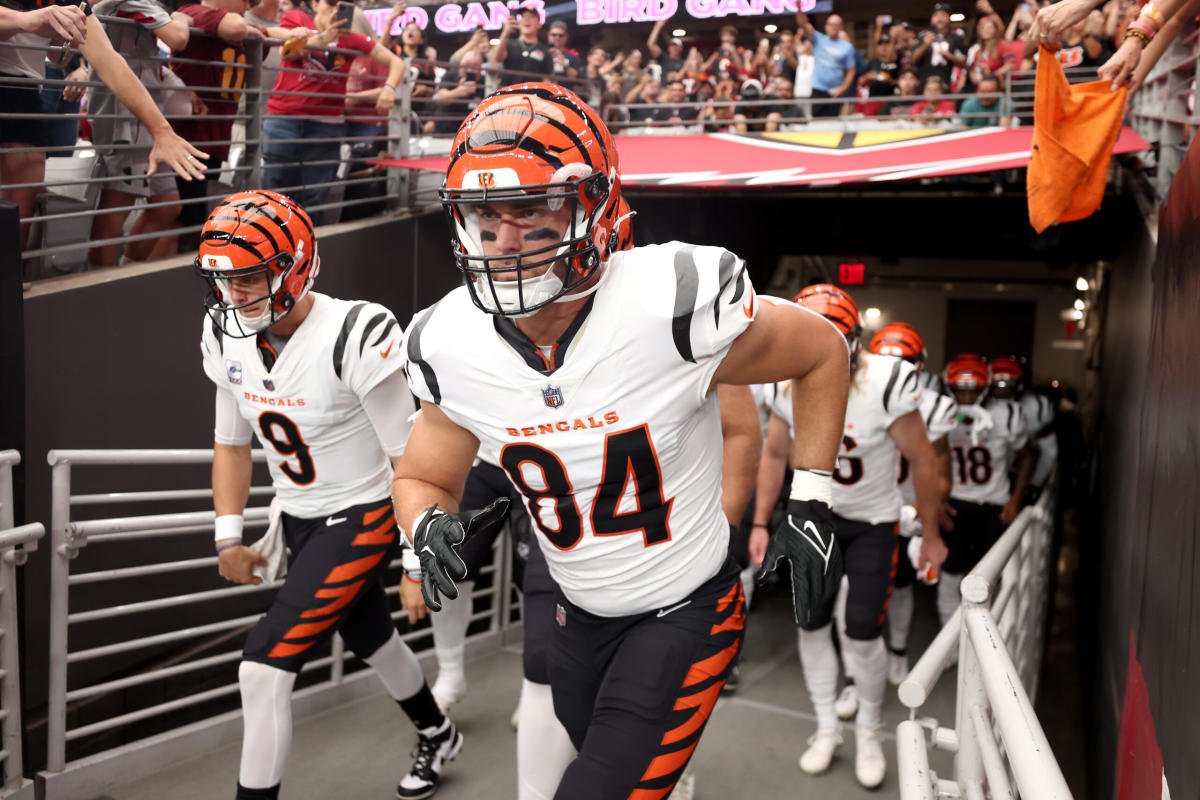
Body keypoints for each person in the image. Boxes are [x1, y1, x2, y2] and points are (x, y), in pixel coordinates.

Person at [393, 82, 850, 800]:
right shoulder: (449, 340)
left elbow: (823, 351)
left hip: (686, 611)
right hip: (577, 619)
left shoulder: (668, 302)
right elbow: (423, 475)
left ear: (593, 206)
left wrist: (812, 500)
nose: (503, 240)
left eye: (530, 210)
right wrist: (422, 524)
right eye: (485, 215)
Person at [197, 190, 462, 800]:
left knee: (262, 666)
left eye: (251, 277)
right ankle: (437, 731)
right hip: (299, 515)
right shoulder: (224, 331)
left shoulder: (355, 330)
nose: (235, 294)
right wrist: (227, 532)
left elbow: (410, 458)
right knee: (371, 635)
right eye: (225, 279)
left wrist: (418, 557)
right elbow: (231, 442)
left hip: (364, 512)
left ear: (294, 267)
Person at [752, 288, 944, 789]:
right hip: (815, 520)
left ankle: (869, 731)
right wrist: (758, 523)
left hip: (872, 523)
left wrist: (933, 533)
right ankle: (824, 729)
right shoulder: (780, 383)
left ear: (853, 342)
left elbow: (924, 459)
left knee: (860, 630)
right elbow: (774, 456)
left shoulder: (884, 382)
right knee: (812, 625)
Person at [0, 0, 205, 248]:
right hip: (25, 89)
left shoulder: (73, 5)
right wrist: (26, 20)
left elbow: (109, 61)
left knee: (20, 208)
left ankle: (11, 283)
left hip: (26, 91)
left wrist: (161, 130)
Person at [869, 323, 956, 685]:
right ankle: (858, 673)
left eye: (903, 362)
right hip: (868, 508)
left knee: (902, 586)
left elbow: (941, 469)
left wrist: (926, 510)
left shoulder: (935, 406)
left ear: (919, 366)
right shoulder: (852, 393)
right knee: (858, 591)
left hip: (908, 508)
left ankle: (898, 651)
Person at [263, 0, 404, 219]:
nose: (336, 9)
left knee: (314, 202)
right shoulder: (297, 19)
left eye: (343, 5)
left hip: (326, 128)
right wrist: (324, 38)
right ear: (315, 4)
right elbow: (287, 52)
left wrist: (389, 88)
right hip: (284, 121)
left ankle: (309, 250)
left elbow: (397, 62)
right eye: (331, 3)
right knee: (274, 200)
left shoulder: (349, 37)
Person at [86, 0, 189, 267]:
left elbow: (148, 63)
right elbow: (178, 37)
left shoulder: (146, 6)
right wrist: (183, 18)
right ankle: (99, 282)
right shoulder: (130, 1)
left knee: (167, 204)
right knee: (118, 201)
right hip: (124, 122)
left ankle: (124, 272)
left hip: (150, 123)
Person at [940, 353, 1037, 624]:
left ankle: (986, 638)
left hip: (994, 503)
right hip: (956, 501)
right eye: (960, 390)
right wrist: (937, 500)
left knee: (990, 574)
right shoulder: (940, 413)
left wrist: (1015, 499)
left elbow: (1030, 454)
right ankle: (950, 641)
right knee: (950, 571)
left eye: (973, 392)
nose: (967, 399)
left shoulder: (1006, 415)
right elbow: (928, 458)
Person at [794, 11, 856, 117]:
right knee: (817, 124)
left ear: (840, 27)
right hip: (818, 89)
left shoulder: (847, 47)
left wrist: (843, 88)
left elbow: (851, 70)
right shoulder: (819, 39)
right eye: (830, 24)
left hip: (835, 92)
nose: (833, 27)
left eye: (836, 25)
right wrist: (799, 8)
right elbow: (803, 24)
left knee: (832, 124)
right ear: (826, 26)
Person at [489, 6, 551, 86]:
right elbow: (497, 58)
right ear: (519, 23)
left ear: (539, 24)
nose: (527, 20)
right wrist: (505, 33)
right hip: (509, 93)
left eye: (532, 17)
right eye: (523, 16)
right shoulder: (509, 43)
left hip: (533, 95)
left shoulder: (545, 50)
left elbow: (546, 79)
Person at [912, 2, 966, 88]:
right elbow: (913, 60)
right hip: (924, 85)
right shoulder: (922, 36)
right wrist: (925, 45)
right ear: (931, 19)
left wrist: (949, 55)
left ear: (949, 18)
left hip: (948, 83)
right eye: (936, 15)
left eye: (943, 15)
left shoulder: (956, 38)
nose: (939, 18)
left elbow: (964, 63)